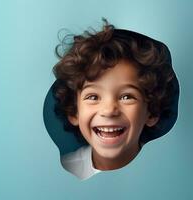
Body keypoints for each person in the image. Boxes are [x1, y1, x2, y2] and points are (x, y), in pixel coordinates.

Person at [48, 19, 179, 180]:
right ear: (74, 112)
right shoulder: (62, 174)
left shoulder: (167, 173)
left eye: (126, 97)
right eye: (93, 97)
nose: (109, 110)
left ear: (151, 113)